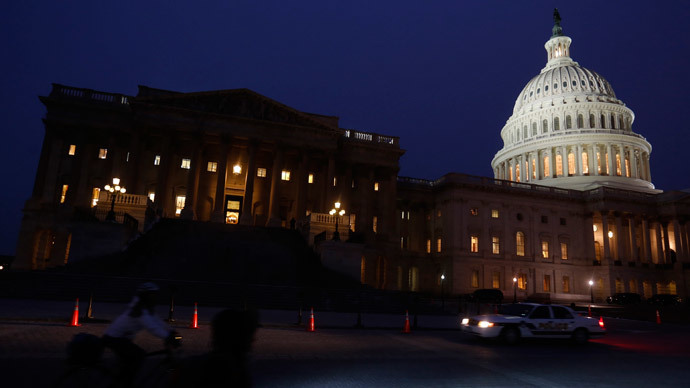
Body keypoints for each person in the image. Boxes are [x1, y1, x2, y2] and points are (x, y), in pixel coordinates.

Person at [102, 282, 178, 386]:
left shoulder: (145, 308)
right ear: (145, 296)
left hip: (122, 338)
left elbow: (157, 321)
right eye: (152, 295)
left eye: (155, 295)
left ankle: (123, 380)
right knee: (139, 355)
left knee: (130, 360)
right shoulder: (139, 311)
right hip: (114, 338)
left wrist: (171, 330)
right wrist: (167, 336)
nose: (154, 298)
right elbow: (152, 327)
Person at [173, 308, 258, 387]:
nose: (253, 340)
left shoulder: (191, 367)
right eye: (248, 336)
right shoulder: (235, 373)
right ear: (239, 339)